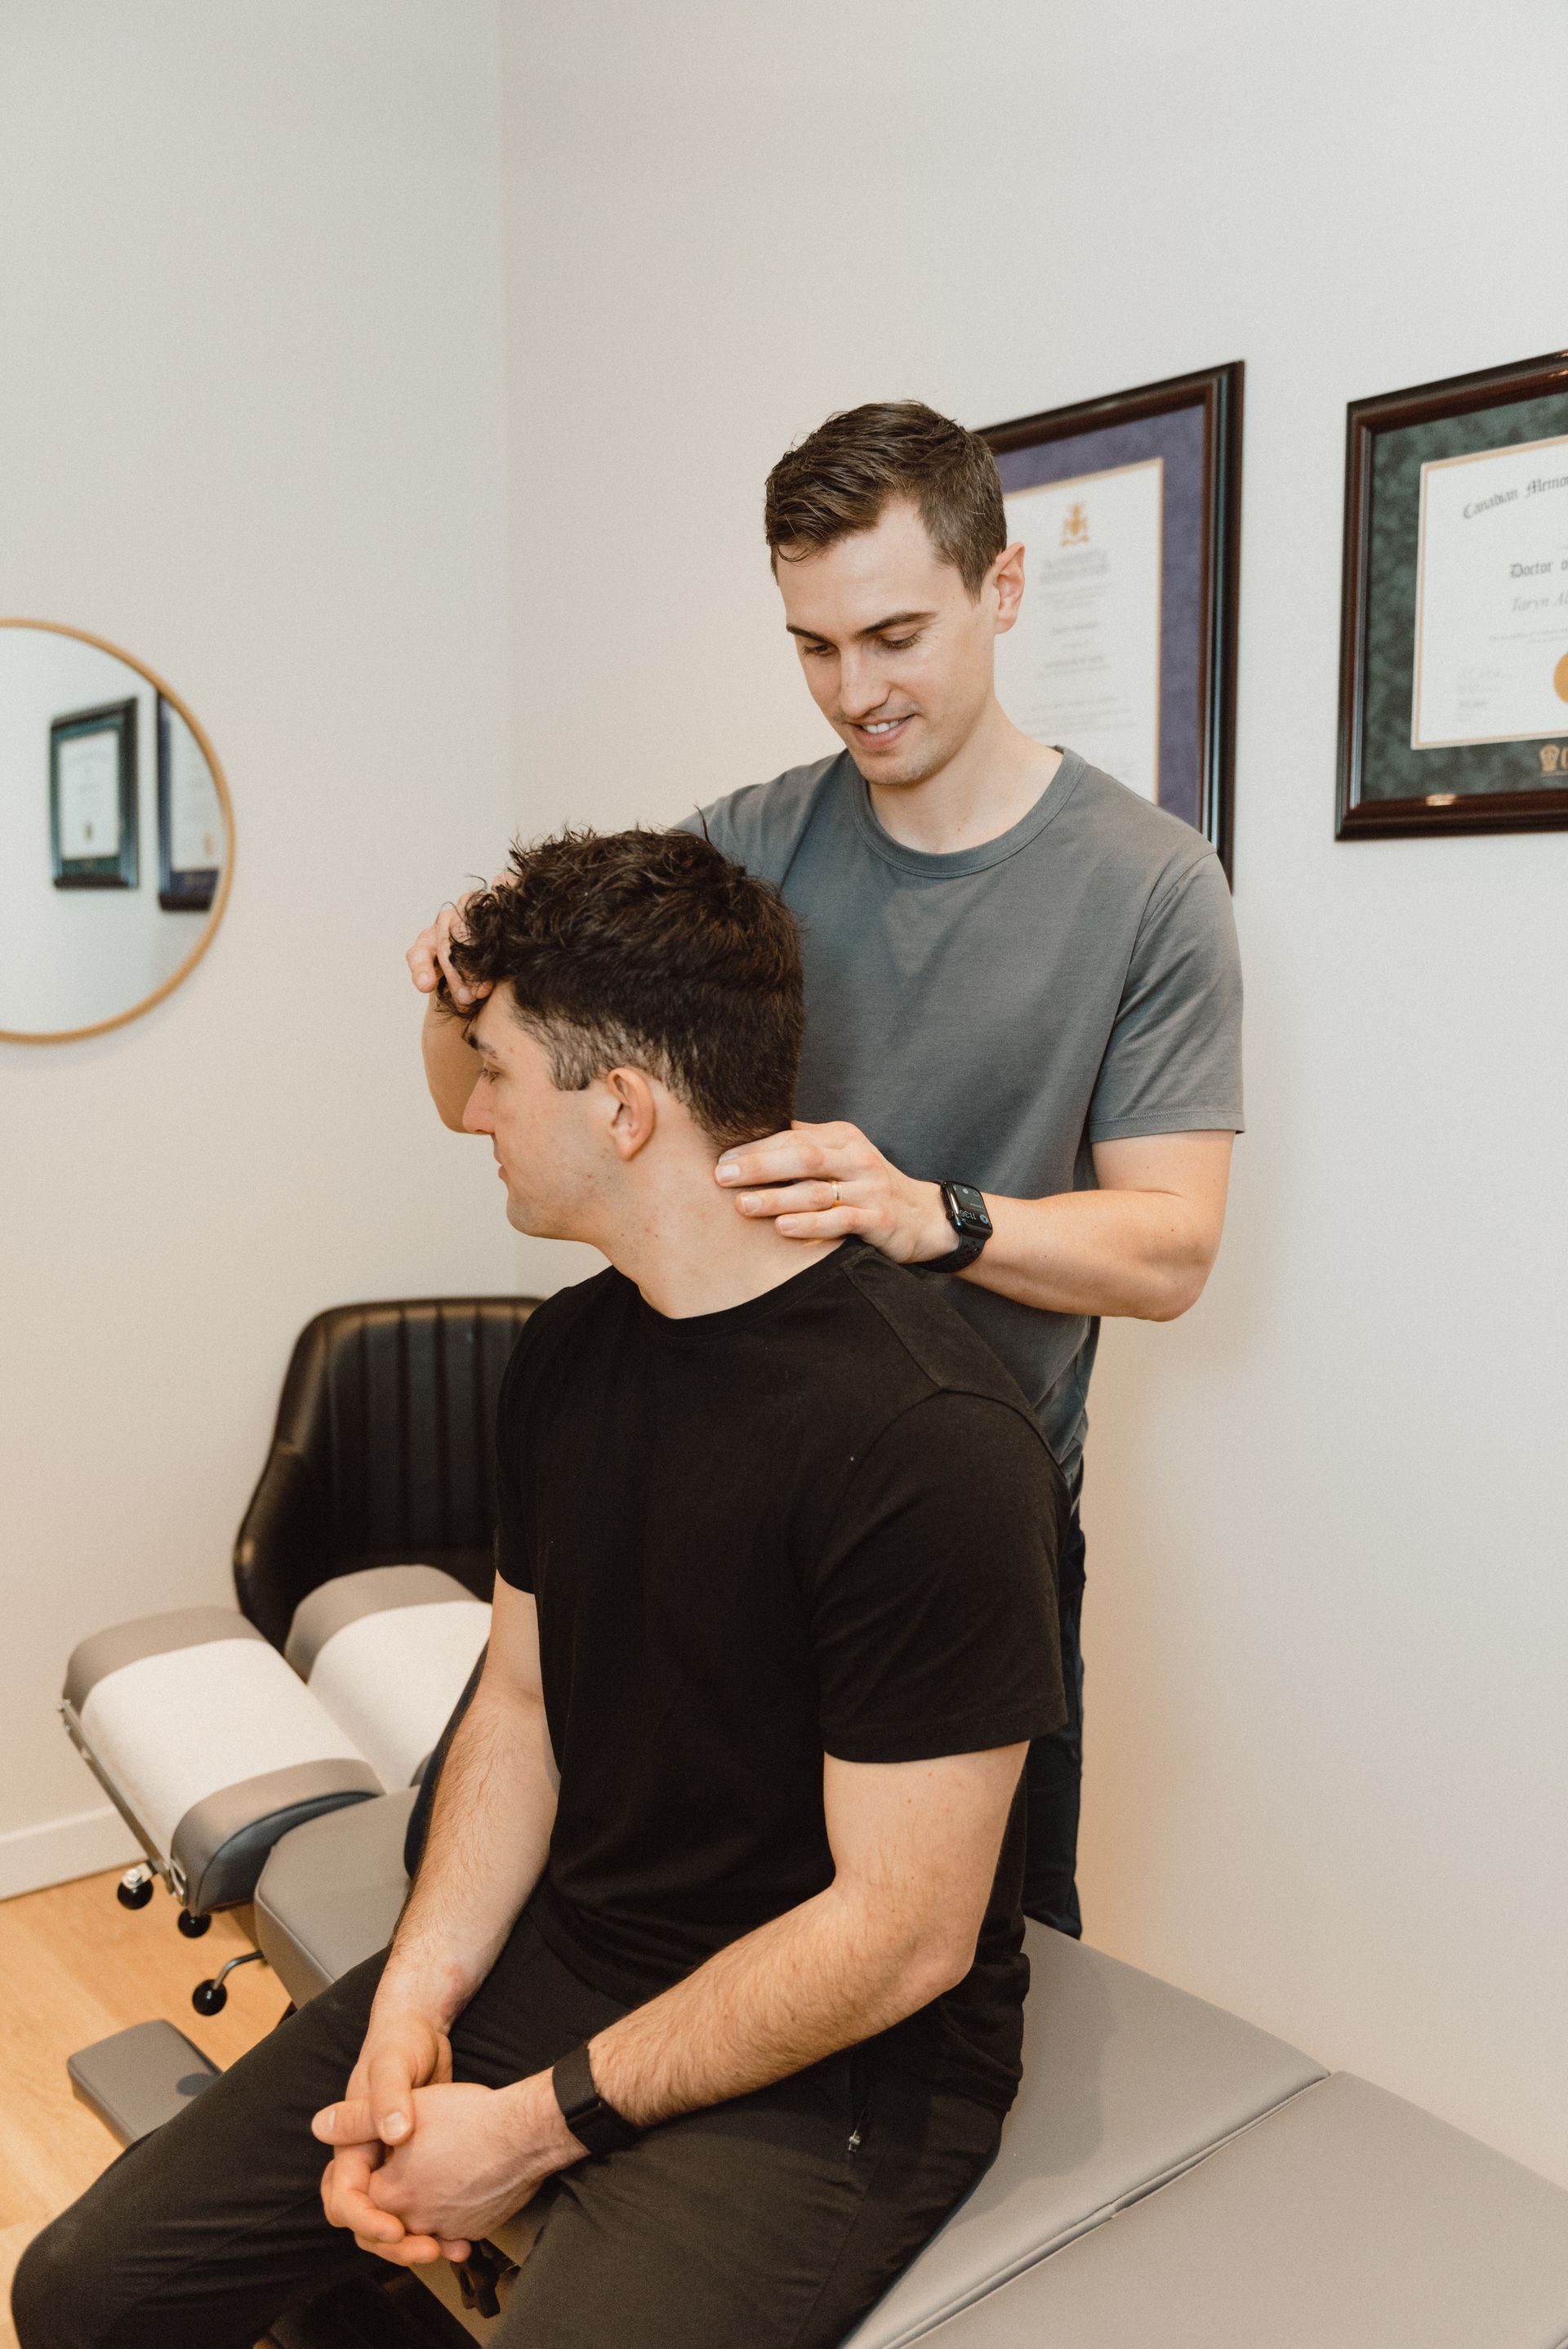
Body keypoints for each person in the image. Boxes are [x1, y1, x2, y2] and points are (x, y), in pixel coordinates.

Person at [15, 827, 1064, 2349]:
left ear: (624, 1108)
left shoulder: (924, 1445)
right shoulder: (571, 1353)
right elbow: (517, 1700)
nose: (471, 1112)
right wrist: (414, 2003)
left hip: (834, 2067)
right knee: (83, 2296)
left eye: (496, 1070)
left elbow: (902, 1937)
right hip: (575, 1951)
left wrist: (526, 2127)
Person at [411, 401, 1244, 1938]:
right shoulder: (748, 845)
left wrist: (930, 1215)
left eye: (894, 636)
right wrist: (458, 992)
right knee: (577, 1914)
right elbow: (492, 1088)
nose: (854, 693)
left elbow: (1173, 1250)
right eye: (813, 647)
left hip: (953, 1520)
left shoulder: (1150, 888)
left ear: (1001, 589)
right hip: (706, 1478)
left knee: (961, 1959)